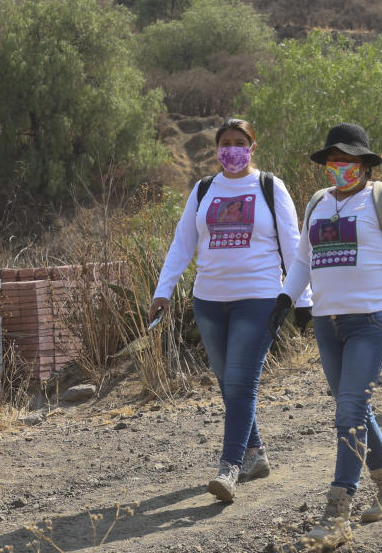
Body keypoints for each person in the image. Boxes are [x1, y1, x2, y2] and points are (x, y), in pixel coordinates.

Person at [268, 122, 382, 548]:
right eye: (334, 160)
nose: (341, 167)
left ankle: (337, 512)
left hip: (371, 320)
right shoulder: (317, 204)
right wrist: (287, 300)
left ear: (364, 163)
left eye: (349, 160)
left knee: (348, 410)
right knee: (353, 409)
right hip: (327, 321)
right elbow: (303, 260)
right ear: (326, 164)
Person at [148, 118, 312, 502]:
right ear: (216, 147)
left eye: (240, 142)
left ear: (253, 147)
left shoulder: (270, 187)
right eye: (226, 142)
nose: (232, 149)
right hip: (208, 301)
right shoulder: (205, 189)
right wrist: (163, 290)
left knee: (240, 381)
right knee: (228, 382)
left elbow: (293, 245)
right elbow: (182, 243)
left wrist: (303, 301)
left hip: (259, 298)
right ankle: (256, 454)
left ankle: (230, 466)